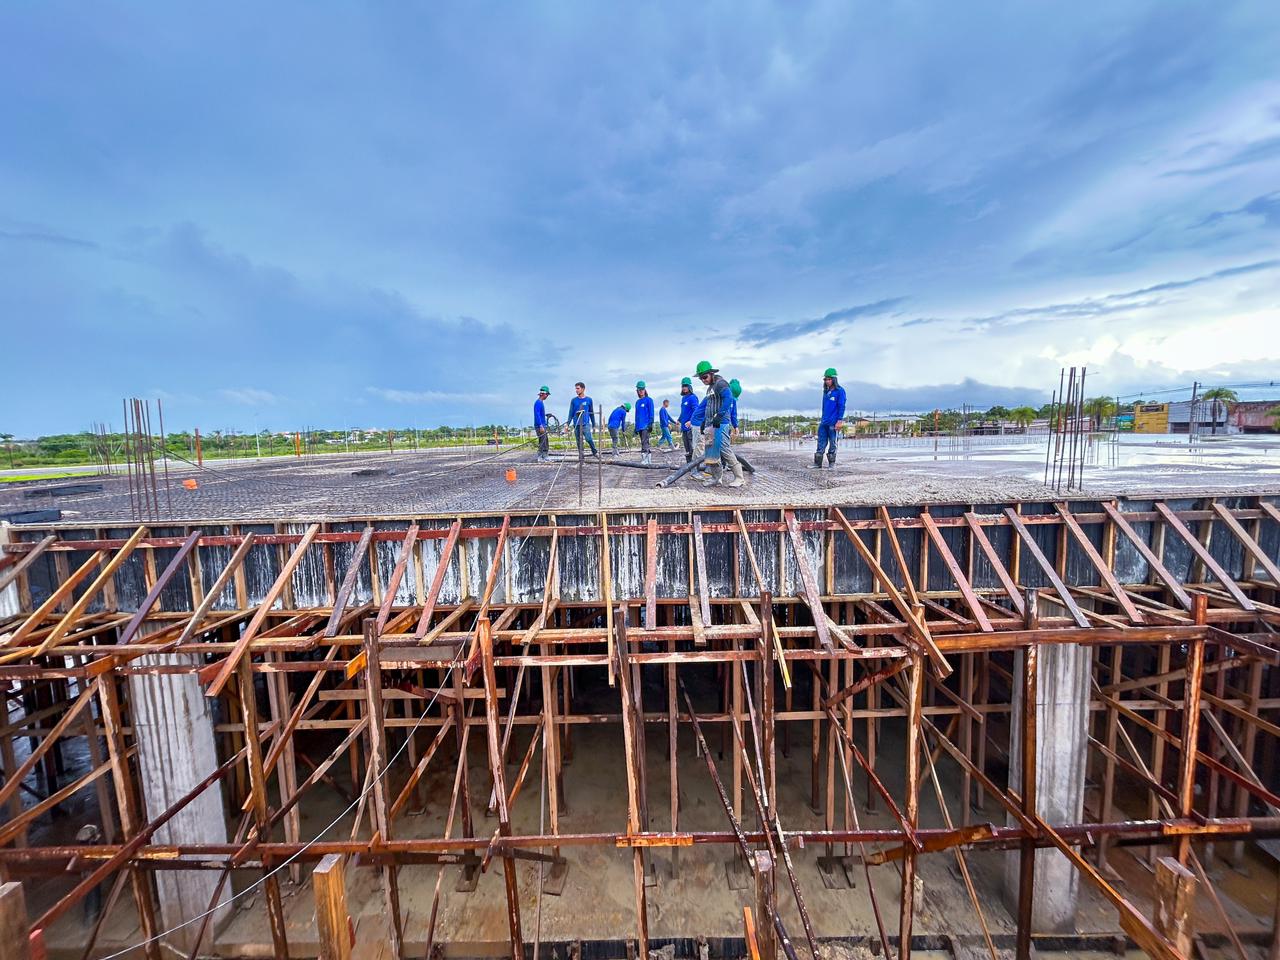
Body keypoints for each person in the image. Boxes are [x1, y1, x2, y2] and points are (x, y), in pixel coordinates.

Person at [694, 360, 742, 487]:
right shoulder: (710, 389)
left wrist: (720, 415)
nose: (703, 380)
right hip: (710, 424)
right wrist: (704, 421)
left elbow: (729, 398)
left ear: (711, 373)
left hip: (720, 423)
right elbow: (709, 406)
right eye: (701, 378)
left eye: (704, 377)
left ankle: (739, 477)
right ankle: (716, 478)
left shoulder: (721, 383)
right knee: (711, 452)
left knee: (724, 449)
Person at [811, 367, 846, 469]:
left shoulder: (840, 391)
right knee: (821, 442)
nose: (827, 381)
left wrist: (839, 420)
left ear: (834, 379)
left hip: (833, 422)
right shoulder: (826, 392)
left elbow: (841, 406)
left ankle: (831, 464)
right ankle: (817, 463)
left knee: (833, 443)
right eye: (825, 379)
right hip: (824, 422)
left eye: (829, 379)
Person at [564, 382, 598, 458]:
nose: (576, 390)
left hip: (585, 423)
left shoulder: (589, 400)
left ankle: (594, 452)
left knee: (589, 438)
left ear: (583, 389)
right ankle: (581, 456)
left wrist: (594, 425)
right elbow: (571, 413)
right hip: (576, 424)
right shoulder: (573, 400)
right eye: (576, 388)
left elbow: (591, 413)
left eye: (578, 388)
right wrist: (567, 424)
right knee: (579, 442)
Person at [633, 381, 655, 465]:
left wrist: (651, 422)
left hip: (646, 425)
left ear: (645, 390)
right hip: (639, 425)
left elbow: (651, 412)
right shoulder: (637, 402)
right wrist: (636, 426)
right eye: (639, 389)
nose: (641, 391)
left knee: (645, 442)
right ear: (637, 391)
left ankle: (646, 459)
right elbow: (637, 415)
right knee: (643, 442)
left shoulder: (649, 400)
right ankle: (648, 460)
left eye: (642, 389)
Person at [678, 376, 698, 463]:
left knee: (692, 447)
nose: (684, 388)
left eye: (686, 386)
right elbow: (683, 412)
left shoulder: (693, 397)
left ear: (690, 387)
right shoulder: (683, 398)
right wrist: (678, 420)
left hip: (690, 427)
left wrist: (691, 421)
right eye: (683, 386)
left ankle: (694, 466)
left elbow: (696, 411)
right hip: (684, 427)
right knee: (687, 448)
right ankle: (689, 465)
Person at [533, 386, 551, 462]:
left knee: (545, 441)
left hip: (542, 425)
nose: (547, 396)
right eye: (547, 394)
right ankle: (541, 457)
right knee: (542, 441)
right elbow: (537, 414)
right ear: (543, 394)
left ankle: (544, 456)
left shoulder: (540, 403)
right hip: (540, 426)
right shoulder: (538, 403)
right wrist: (541, 425)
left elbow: (540, 414)